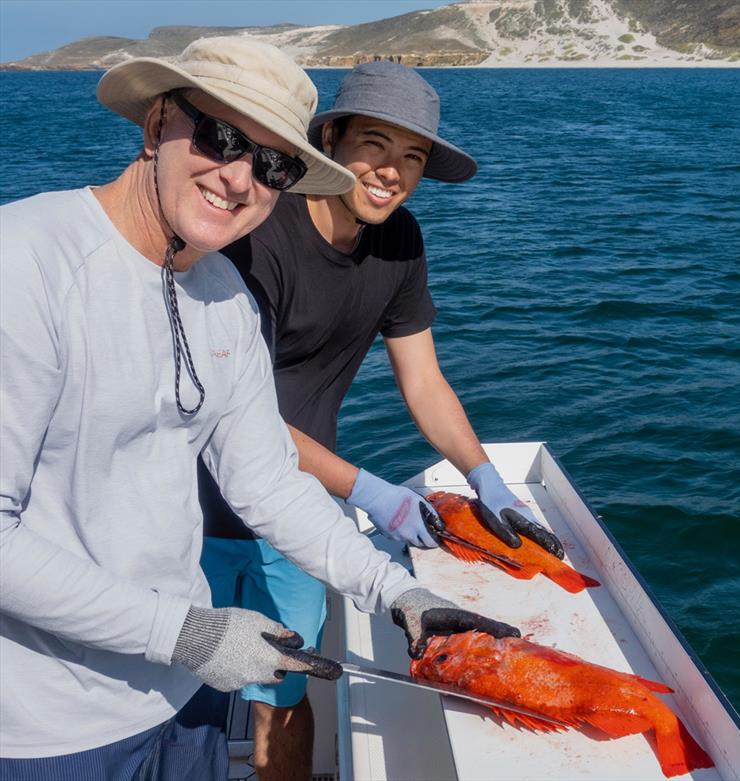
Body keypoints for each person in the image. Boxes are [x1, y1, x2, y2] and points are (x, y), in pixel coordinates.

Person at [0, 40, 519, 781]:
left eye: (274, 163)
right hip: (45, 731)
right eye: (221, 136)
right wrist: (188, 630)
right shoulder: (24, 263)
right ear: (156, 123)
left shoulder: (222, 299)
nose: (240, 177)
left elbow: (267, 482)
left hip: (174, 704)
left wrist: (395, 589)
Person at [199, 61, 565, 780]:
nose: (391, 171)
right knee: (181, 693)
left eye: (413, 156)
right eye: (375, 144)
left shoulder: (401, 242)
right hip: (197, 506)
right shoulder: (259, 237)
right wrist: (373, 491)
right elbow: (239, 413)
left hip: (300, 511)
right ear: (329, 138)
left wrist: (484, 475)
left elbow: (423, 380)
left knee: (284, 691)